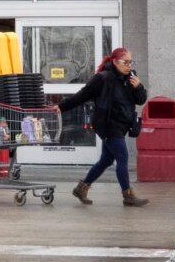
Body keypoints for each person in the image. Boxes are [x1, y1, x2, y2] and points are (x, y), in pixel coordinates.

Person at [54, 47, 149, 207]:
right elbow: (83, 94)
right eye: (125, 62)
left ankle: (81, 188)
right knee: (122, 158)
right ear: (114, 62)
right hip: (108, 125)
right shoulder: (103, 78)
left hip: (122, 125)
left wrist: (138, 86)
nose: (129, 66)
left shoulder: (130, 77)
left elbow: (140, 100)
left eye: (130, 62)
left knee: (106, 160)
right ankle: (128, 196)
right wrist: (62, 107)